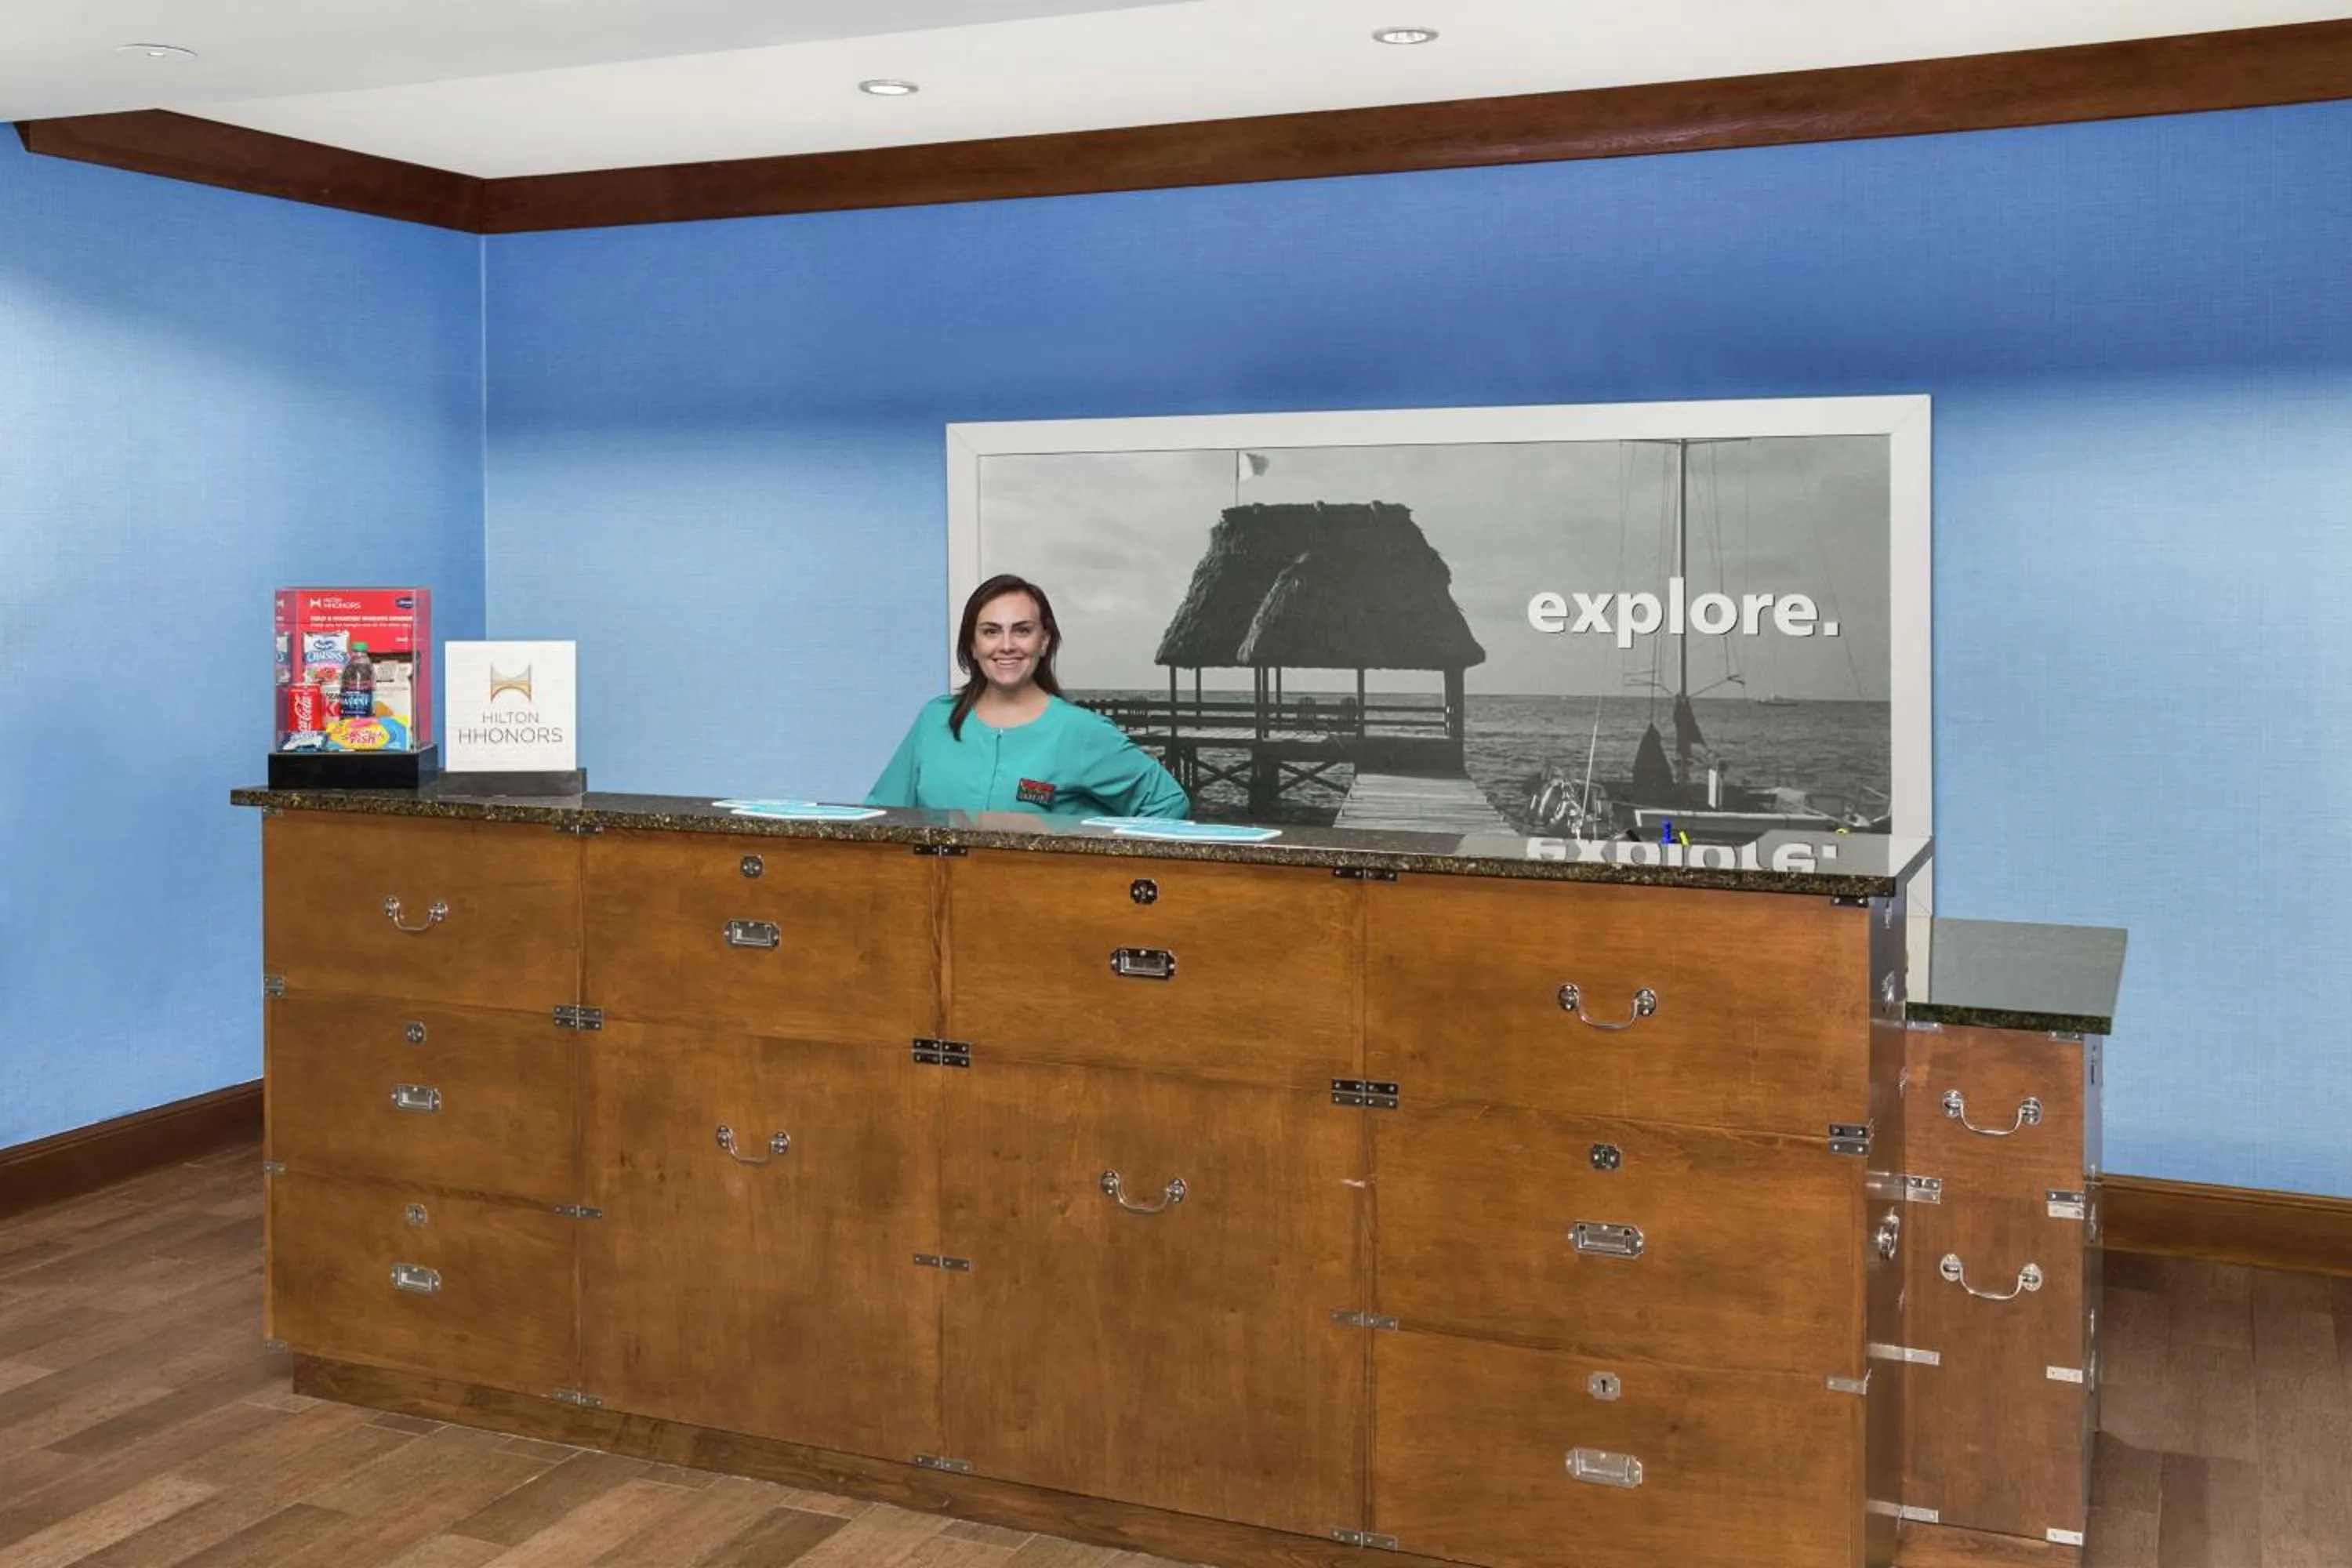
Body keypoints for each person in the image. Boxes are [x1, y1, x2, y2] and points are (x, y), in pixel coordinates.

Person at [866, 573, 1191, 819]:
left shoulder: (1081, 731)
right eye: (991, 631)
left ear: (1044, 641)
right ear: (972, 645)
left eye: (1022, 630)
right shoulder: (935, 720)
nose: (1007, 645)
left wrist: (1099, 880)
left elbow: (1167, 803)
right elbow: (881, 816)